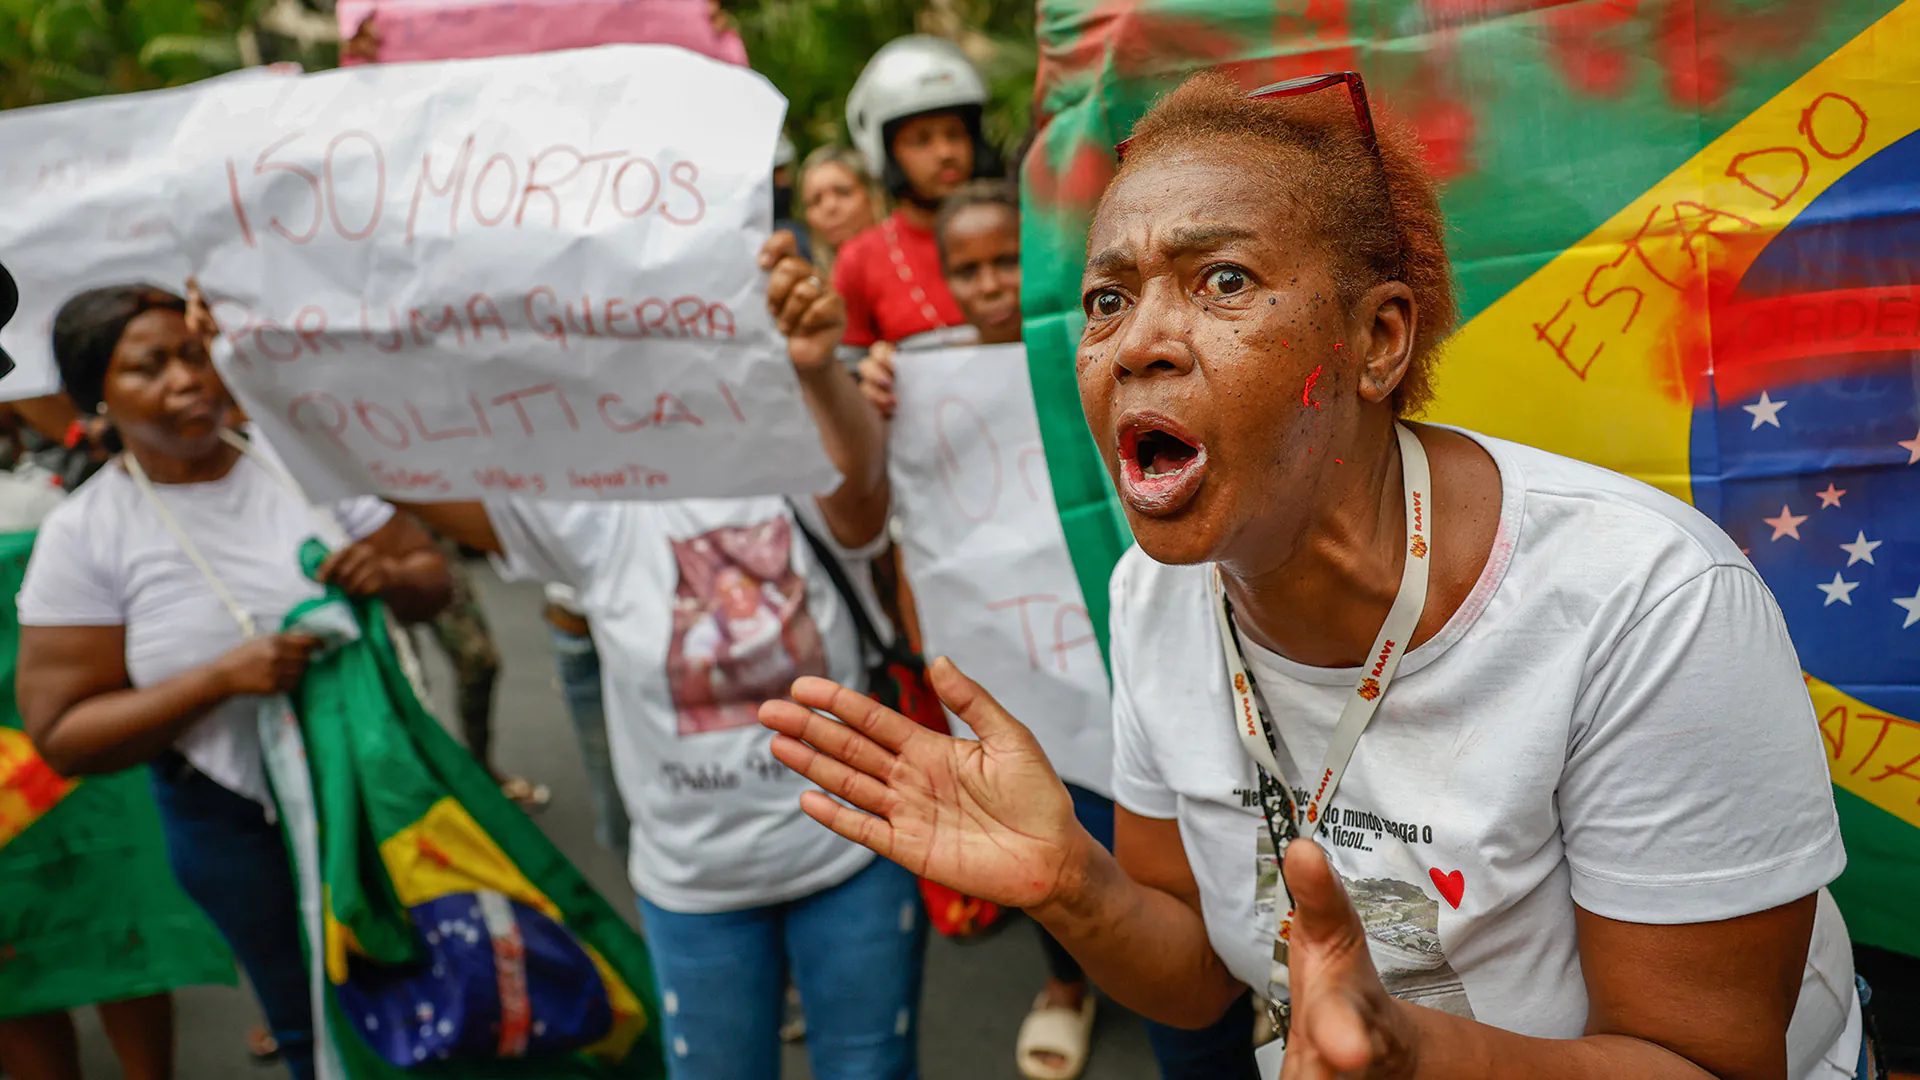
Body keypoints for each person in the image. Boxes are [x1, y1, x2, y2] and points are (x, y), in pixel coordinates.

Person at [761, 70, 1867, 1080]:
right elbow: (1196, 975)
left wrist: (1419, 1056)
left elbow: (1709, 1066)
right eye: (1107, 298)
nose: (1138, 340)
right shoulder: (1153, 599)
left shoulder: (1644, 605)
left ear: (1378, 341)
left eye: (1222, 280)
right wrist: (1074, 886)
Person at [395, 233, 922, 1080]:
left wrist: (820, 369)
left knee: (872, 1069)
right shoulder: (603, 506)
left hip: (851, 855)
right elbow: (417, 477)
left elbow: (860, 498)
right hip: (695, 888)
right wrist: (286, 383)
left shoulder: (798, 448)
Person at [864, 179, 1258, 1080]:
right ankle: (1073, 988)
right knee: (1073, 852)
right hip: (1051, 703)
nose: (993, 283)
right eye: (969, 269)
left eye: (1009, 259)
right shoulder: (911, 378)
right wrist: (869, 390)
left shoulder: (1120, 356)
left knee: (1198, 891)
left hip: (1159, 698)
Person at [15, 284, 453, 1080]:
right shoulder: (86, 535)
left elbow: (433, 581)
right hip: (228, 820)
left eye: (194, 354)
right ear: (97, 400)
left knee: (437, 989)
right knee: (310, 1023)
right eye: (151, 367)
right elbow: (63, 735)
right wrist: (215, 681)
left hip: (375, 791)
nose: (188, 380)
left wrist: (389, 574)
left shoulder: (303, 470)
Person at [835, 35, 999, 356]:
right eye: (921, 140)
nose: (945, 152)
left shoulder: (1020, 232)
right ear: (888, 153)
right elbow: (844, 376)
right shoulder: (859, 260)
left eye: (955, 134)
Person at [798, 145, 881, 278]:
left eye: (843, 192)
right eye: (816, 200)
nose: (830, 207)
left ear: (872, 196)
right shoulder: (810, 288)